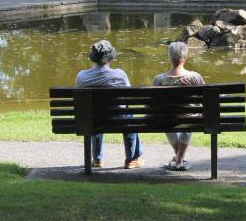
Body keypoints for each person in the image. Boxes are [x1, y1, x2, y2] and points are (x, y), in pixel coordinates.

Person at [76, 40, 144, 169]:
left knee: (94, 114)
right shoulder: (120, 74)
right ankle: (132, 159)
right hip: (119, 119)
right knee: (129, 115)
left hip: (94, 120)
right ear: (110, 59)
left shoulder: (82, 76)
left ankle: (97, 160)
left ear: (93, 59)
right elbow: (129, 98)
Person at [152, 41, 205, 171]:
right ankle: (180, 159)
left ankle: (178, 158)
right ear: (185, 58)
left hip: (167, 120)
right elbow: (206, 99)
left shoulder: (159, 79)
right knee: (189, 117)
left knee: (166, 119)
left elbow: (153, 104)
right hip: (191, 119)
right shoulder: (195, 77)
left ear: (169, 57)